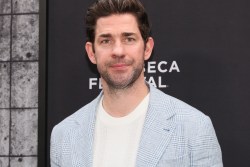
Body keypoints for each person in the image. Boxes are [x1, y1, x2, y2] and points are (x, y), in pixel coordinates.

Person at [50, 0, 223, 166]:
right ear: (91, 52)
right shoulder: (64, 135)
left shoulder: (194, 128)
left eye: (129, 39)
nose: (118, 51)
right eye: (105, 40)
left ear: (147, 48)